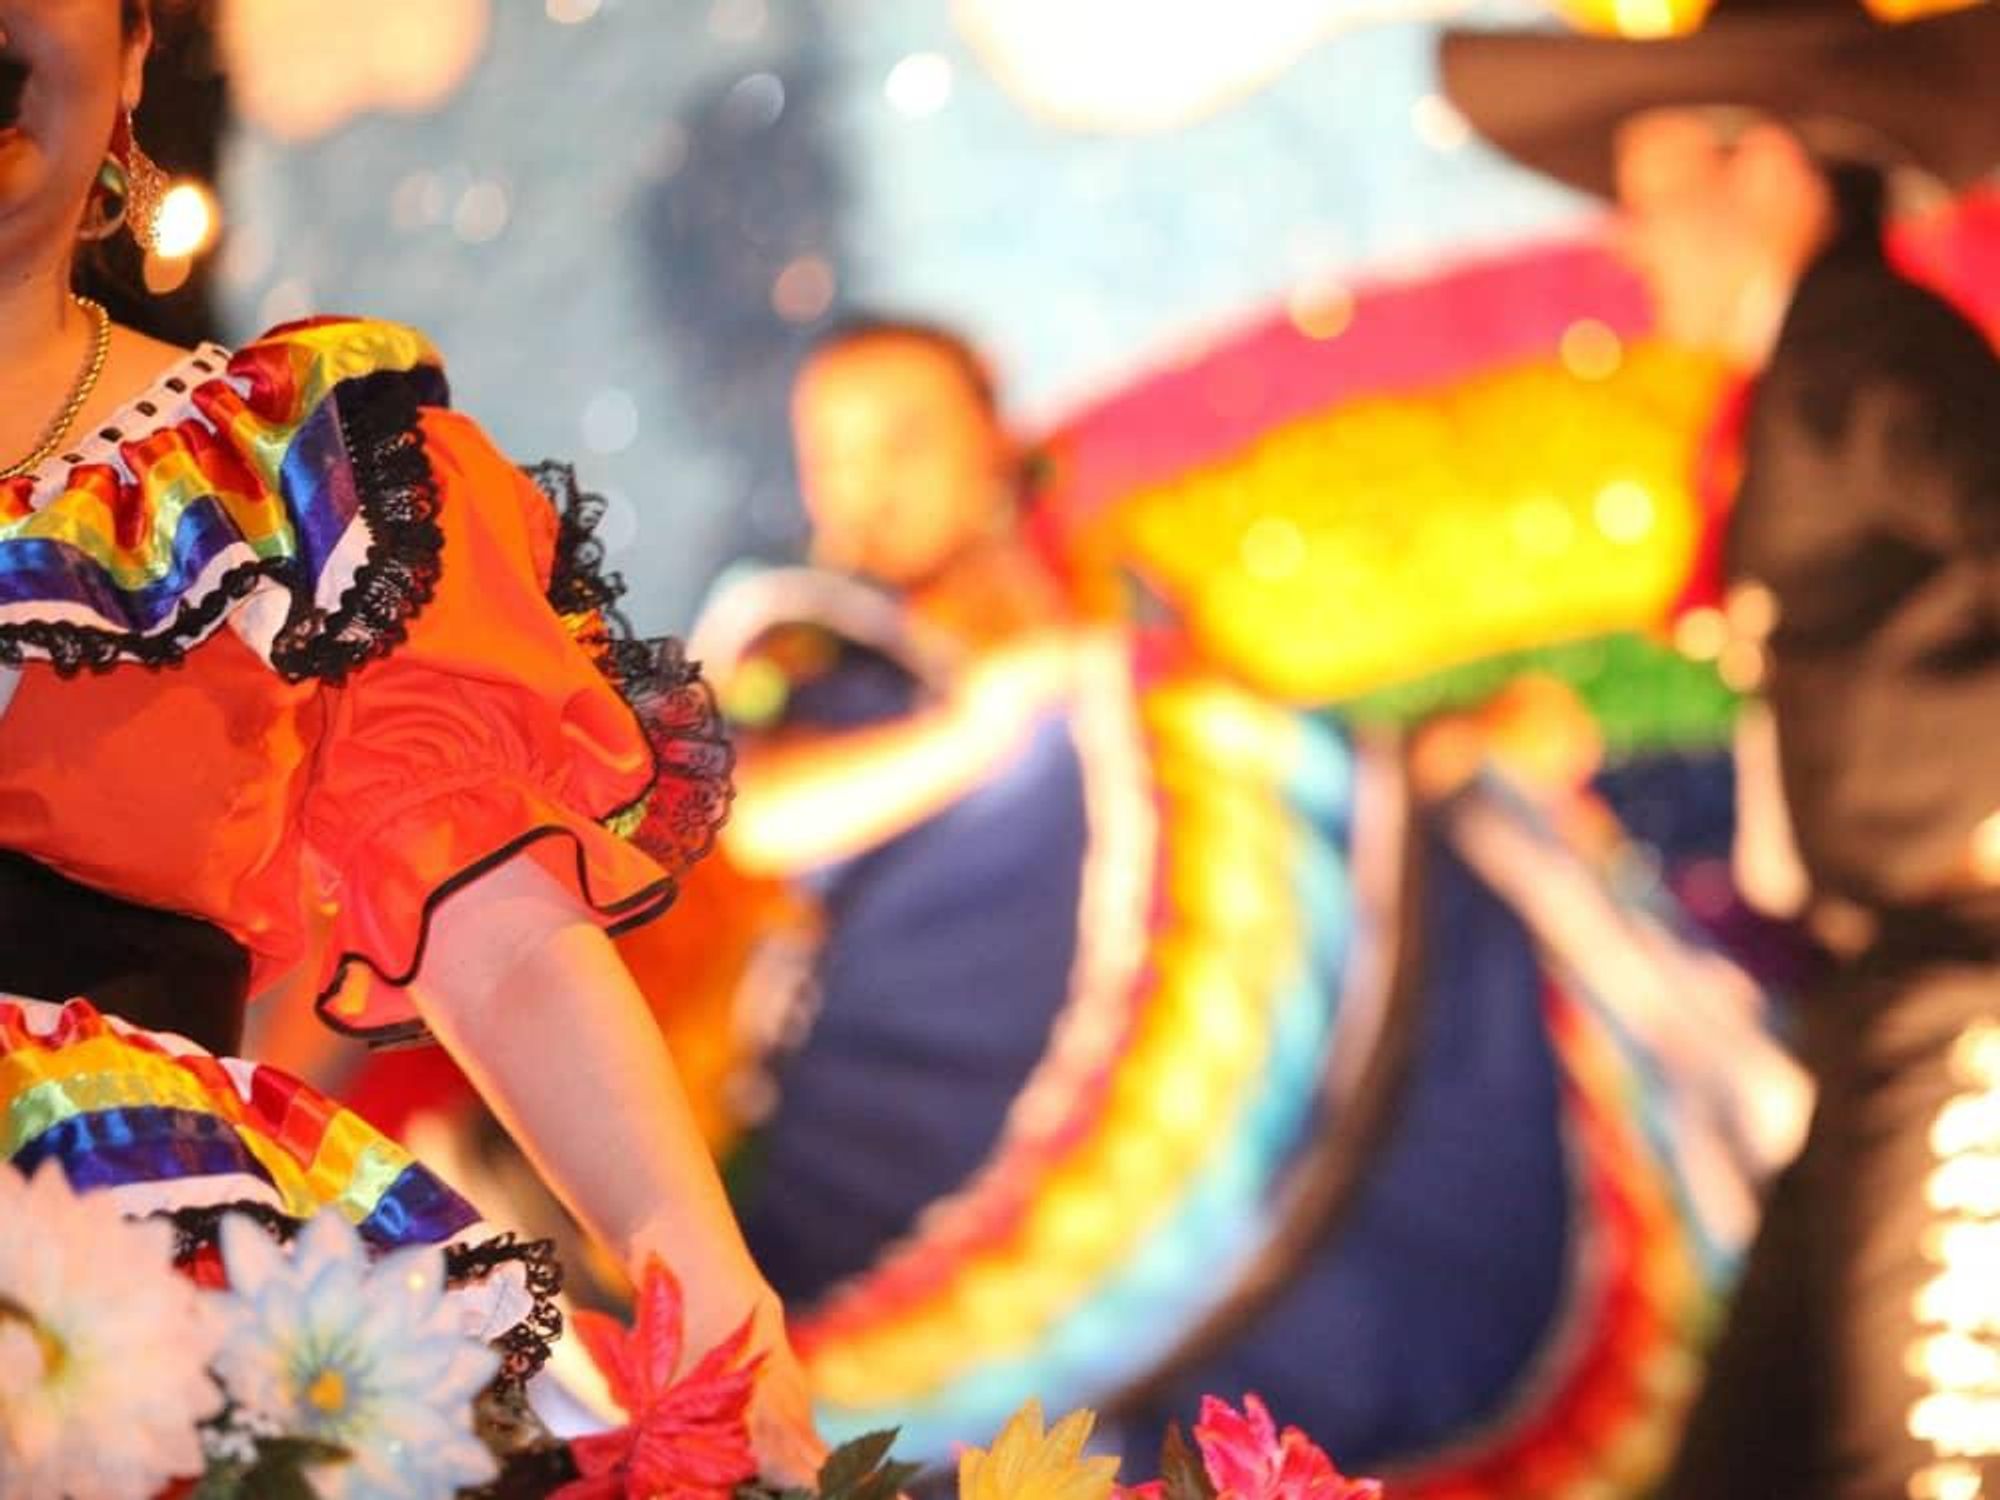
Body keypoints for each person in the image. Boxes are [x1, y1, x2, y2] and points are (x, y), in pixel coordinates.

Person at [686, 316, 1806, 1491]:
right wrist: (984, 725)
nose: (869, 483)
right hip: (937, 1135)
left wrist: (1465, 758)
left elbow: (1290, 775)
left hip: (1282, 1115)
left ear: (993, 433)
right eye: (835, 454)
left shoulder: (1119, 605)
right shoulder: (807, 646)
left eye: (905, 437)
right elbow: (751, 820)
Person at [0, 0, 820, 1481]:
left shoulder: (284, 471)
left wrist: (705, 1294)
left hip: (128, 1290)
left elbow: (493, 929)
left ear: (130, 61)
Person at [1441, 2, 2000, 1494]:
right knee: (1756, 1454)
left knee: (1915, 1457)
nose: (1624, 242)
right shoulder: (1821, 373)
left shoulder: (1875, 354)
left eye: (1647, 192)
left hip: (1972, 979)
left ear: (1770, 175)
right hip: (1894, 989)